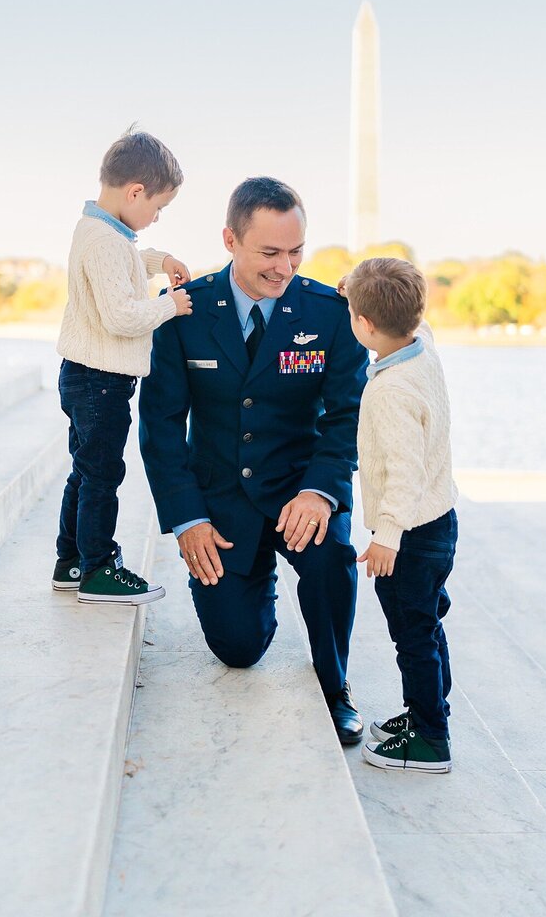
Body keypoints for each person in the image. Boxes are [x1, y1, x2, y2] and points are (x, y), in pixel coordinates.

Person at [138, 178, 369, 743]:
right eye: (269, 253)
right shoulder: (183, 314)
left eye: (295, 251)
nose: (284, 267)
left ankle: (334, 684)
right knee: (238, 649)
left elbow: (348, 417)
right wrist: (187, 519)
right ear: (230, 240)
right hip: (221, 504)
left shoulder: (331, 313)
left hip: (300, 490)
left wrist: (321, 490)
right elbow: (161, 424)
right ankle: (251, 584)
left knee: (331, 554)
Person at [52, 128, 193, 604]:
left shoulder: (98, 230)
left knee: (85, 470)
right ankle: (99, 568)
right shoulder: (106, 242)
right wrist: (170, 305)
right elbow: (123, 316)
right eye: (158, 207)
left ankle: (70, 560)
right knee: (102, 476)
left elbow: (129, 260)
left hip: (84, 375)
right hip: (100, 381)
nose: (156, 217)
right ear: (135, 191)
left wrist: (162, 260)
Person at [341, 257, 458, 772]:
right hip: (439, 520)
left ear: (365, 326)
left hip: (410, 532)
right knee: (427, 622)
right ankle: (428, 712)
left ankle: (431, 739)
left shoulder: (391, 391)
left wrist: (386, 537)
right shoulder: (422, 348)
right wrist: (357, 290)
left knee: (412, 634)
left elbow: (405, 476)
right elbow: (416, 319)